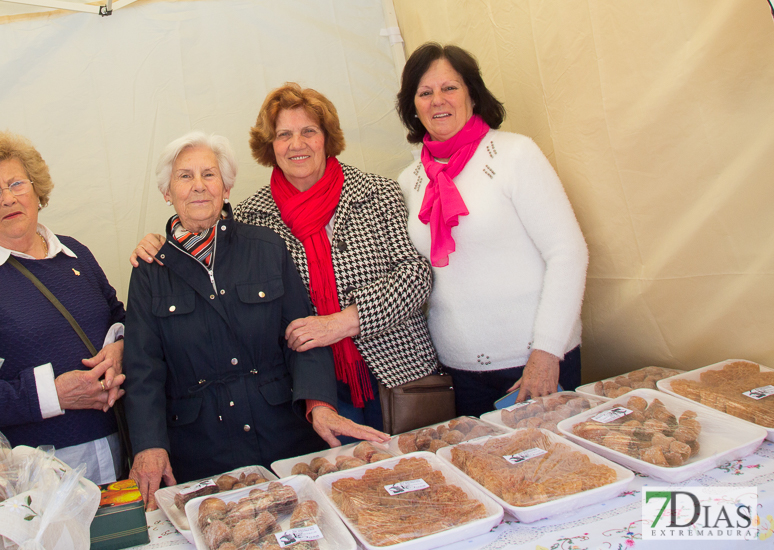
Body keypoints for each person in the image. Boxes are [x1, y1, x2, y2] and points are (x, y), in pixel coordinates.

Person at [133, 83, 439, 433]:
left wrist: (341, 322)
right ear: (270, 146)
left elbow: (415, 276)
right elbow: (198, 228)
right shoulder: (249, 216)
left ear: (327, 137)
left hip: (398, 371)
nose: (297, 144)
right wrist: (159, 241)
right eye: (284, 134)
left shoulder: (376, 192)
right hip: (311, 389)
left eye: (309, 131)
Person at [125, 131, 387, 510]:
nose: (198, 186)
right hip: (203, 451)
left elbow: (303, 335)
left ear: (227, 187)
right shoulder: (151, 269)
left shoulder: (266, 247)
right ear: (167, 193)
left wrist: (319, 404)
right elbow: (143, 367)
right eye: (185, 176)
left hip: (285, 437)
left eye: (209, 175)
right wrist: (149, 444)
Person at [395, 42, 589, 416]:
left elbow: (568, 252)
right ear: (413, 107)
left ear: (472, 93)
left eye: (449, 88)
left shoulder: (516, 154)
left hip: (535, 364)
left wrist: (546, 352)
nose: (438, 100)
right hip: (458, 373)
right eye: (425, 92)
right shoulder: (409, 180)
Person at [0, 130, 126, 484]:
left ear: (37, 191)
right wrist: (54, 394)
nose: (8, 199)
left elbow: (119, 317)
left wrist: (119, 347)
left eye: (17, 184)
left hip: (119, 446)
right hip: (36, 469)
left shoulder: (75, 253)